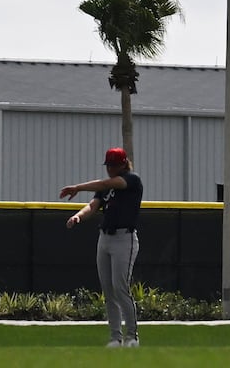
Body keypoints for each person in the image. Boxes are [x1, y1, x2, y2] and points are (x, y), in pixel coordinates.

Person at [61, 147, 144, 348]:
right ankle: (115, 337)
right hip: (105, 238)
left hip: (124, 238)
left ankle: (132, 336)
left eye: (114, 165)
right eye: (109, 165)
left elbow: (107, 183)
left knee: (120, 287)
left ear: (124, 164)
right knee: (108, 289)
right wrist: (78, 216)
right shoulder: (105, 187)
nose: (111, 169)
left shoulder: (132, 180)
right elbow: (93, 205)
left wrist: (77, 187)